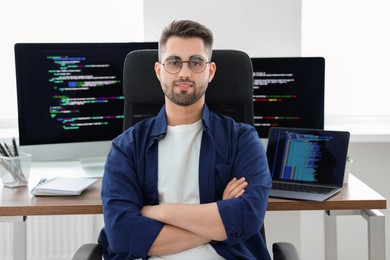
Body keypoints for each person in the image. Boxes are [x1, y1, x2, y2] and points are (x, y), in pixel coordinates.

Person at [98, 20, 272, 259]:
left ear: (209, 71)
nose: (184, 72)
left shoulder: (241, 140)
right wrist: (218, 220)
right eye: (173, 62)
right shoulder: (126, 147)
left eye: (196, 62)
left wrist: (155, 212)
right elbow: (122, 235)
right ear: (159, 71)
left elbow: (247, 217)